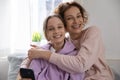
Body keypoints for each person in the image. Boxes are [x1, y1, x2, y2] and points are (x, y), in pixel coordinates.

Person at [18, 1, 114, 80]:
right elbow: (34, 54)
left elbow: (80, 65)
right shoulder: (64, 41)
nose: (76, 21)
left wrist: (44, 54)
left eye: (78, 16)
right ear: (64, 25)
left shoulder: (92, 32)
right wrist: (22, 71)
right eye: (70, 18)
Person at [18, 14, 84, 80]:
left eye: (59, 27)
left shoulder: (75, 55)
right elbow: (32, 75)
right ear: (46, 33)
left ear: (65, 29)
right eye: (51, 29)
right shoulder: (39, 53)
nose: (56, 31)